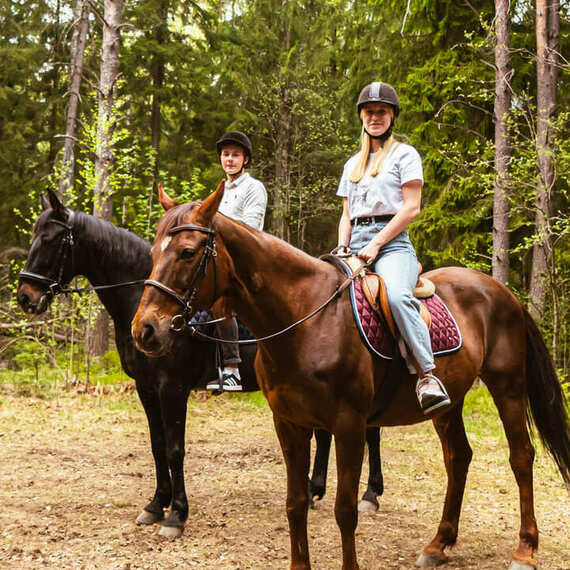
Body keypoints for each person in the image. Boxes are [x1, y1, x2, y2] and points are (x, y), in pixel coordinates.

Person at [335, 81, 450, 414]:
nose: (375, 117)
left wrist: (376, 243)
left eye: (381, 112)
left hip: (392, 244)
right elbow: (345, 215)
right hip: (353, 243)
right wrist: (343, 246)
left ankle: (427, 375)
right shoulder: (351, 164)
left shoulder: (405, 154)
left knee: (398, 296)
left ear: (392, 116)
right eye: (369, 112)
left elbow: (411, 208)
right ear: (361, 116)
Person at [206, 131, 268, 392]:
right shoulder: (219, 191)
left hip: (246, 261)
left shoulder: (254, 188)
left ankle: (232, 370)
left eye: (235, 155)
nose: (230, 159)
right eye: (226, 154)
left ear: (245, 159)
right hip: (219, 261)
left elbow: (249, 231)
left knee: (222, 301)